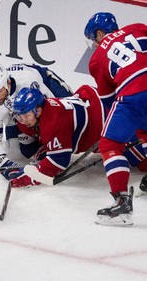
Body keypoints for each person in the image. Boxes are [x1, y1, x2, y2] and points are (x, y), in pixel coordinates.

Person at [11, 86, 147, 226]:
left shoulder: (53, 121)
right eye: (19, 116)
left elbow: (58, 162)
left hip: (105, 117)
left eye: (26, 115)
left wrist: (30, 177)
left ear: (38, 110)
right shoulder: (43, 113)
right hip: (94, 102)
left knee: (142, 160)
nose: (23, 120)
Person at [82, 12, 147, 225]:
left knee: (110, 143)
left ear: (100, 33)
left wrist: (117, 133)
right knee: (143, 131)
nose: (94, 43)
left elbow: (110, 102)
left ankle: (121, 203)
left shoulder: (97, 58)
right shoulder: (136, 28)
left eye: (93, 38)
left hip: (134, 92)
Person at [0, 63, 73, 180]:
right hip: (19, 112)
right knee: (17, 152)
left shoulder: (28, 82)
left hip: (43, 80)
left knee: (71, 115)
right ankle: (40, 147)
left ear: (7, 83)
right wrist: (5, 165)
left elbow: (51, 109)